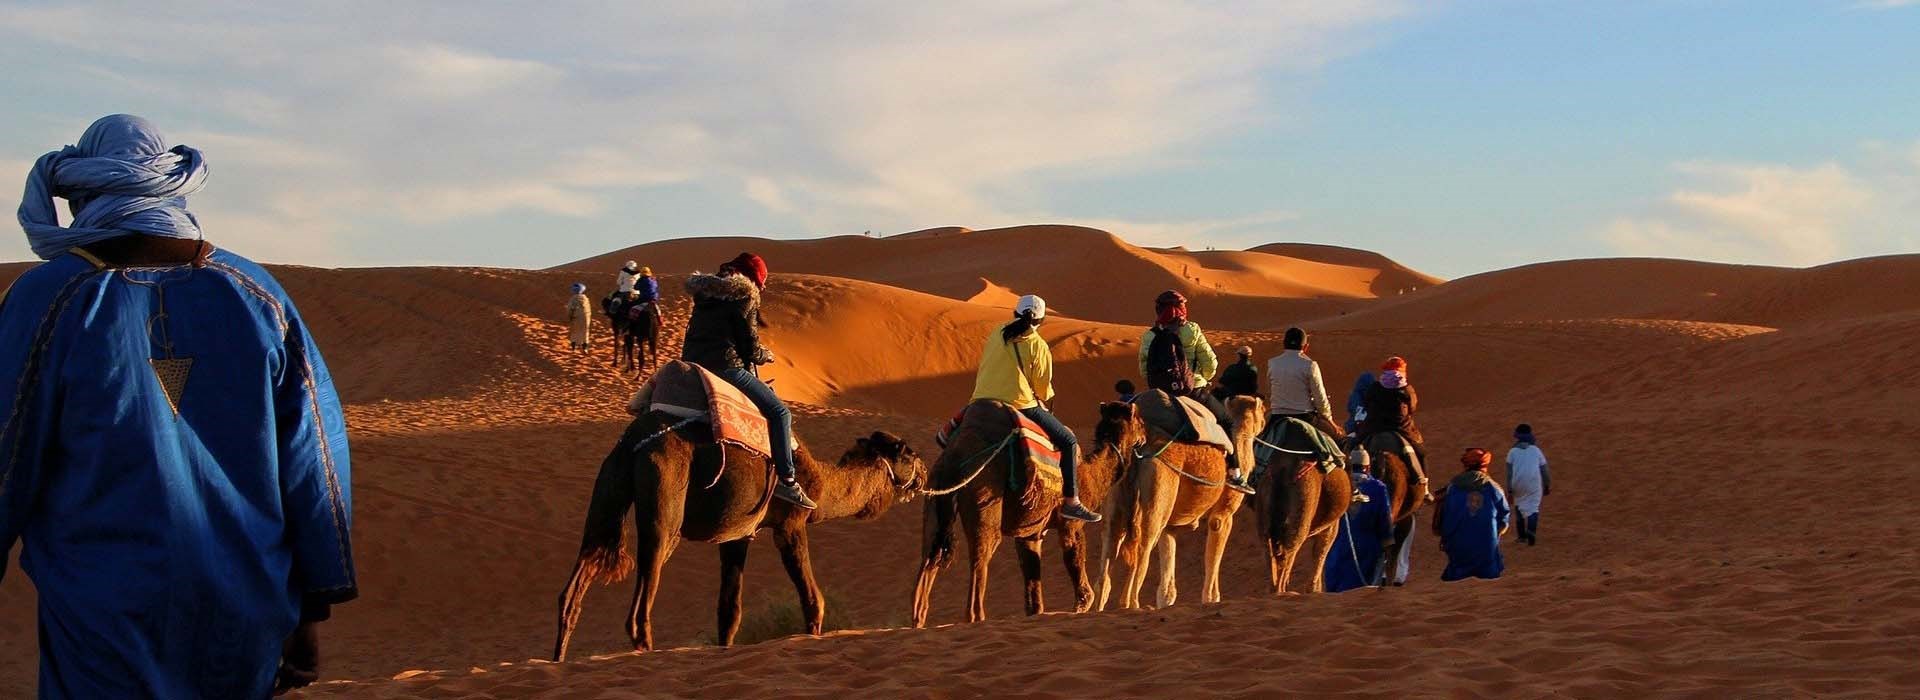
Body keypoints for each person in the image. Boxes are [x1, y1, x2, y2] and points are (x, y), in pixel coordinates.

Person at [2, 115, 355, 698]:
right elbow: (316, 463)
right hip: (245, 600)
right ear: (172, 187)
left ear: (84, 192)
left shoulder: (49, 299)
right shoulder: (257, 294)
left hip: (104, 611)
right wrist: (311, 606)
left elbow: (7, 449)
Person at [682, 252, 814, 509]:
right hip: (726, 368)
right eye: (761, 284)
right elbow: (749, 349)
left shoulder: (705, 294)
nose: (760, 289)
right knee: (780, 413)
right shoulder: (744, 296)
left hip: (692, 365)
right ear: (753, 280)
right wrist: (766, 355)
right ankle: (787, 482)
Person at [972, 295, 1100, 522]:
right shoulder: (1038, 345)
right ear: (1041, 321)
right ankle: (1072, 502)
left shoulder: (997, 332)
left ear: (1015, 313)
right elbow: (1042, 387)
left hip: (981, 399)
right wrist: (1047, 396)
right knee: (1069, 441)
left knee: (952, 431)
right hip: (1019, 403)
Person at [1359, 356, 1431, 501]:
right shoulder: (1407, 390)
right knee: (1421, 453)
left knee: (1352, 445)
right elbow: (1412, 408)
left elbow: (1366, 404)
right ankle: (1424, 488)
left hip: (1374, 427)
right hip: (1401, 429)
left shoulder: (1375, 387)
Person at [1323, 449, 1395, 592]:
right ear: (1368, 467)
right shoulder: (1378, 488)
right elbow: (1384, 519)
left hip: (1336, 547)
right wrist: (1388, 543)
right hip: (1366, 548)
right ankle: (1422, 482)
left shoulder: (1337, 485)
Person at [1433, 448, 1510, 581]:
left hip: (1457, 547)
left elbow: (1442, 515)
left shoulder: (1452, 487)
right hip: (1487, 547)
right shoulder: (1493, 487)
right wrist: (1497, 531)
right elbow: (1504, 515)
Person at [1137, 290, 1218, 396]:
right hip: (1193, 387)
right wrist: (1202, 379)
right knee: (1222, 413)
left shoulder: (1149, 335)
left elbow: (1144, 368)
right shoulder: (1192, 330)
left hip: (1162, 391)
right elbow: (1209, 361)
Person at [1506, 424, 1551, 546]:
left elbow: (1509, 474)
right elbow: (1544, 470)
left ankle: (1521, 536)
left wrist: (1509, 490)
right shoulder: (1536, 450)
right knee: (1533, 508)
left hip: (1517, 483)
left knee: (1518, 505)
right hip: (1534, 483)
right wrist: (1546, 485)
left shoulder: (1512, 452)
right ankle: (1531, 535)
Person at [1343, 371, 1376, 436]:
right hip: (1372, 428)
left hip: (1354, 428)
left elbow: (1350, 408)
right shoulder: (1376, 394)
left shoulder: (1354, 395)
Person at [567, 282, 593, 352]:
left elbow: (570, 309)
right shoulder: (586, 299)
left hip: (576, 317)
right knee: (585, 332)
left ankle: (573, 348)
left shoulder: (573, 299)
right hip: (586, 318)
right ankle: (585, 348)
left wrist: (569, 317)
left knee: (574, 332)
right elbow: (589, 310)